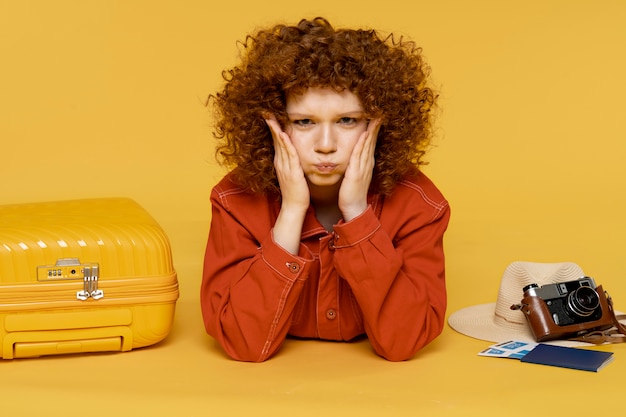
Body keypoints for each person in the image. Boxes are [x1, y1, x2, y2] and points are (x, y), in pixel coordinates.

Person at [200, 17, 450, 362]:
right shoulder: (234, 202)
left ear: (378, 122)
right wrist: (290, 213)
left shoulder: (419, 205)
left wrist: (358, 215)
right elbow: (243, 343)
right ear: (273, 125)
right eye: (305, 122)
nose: (326, 145)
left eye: (347, 120)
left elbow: (404, 341)